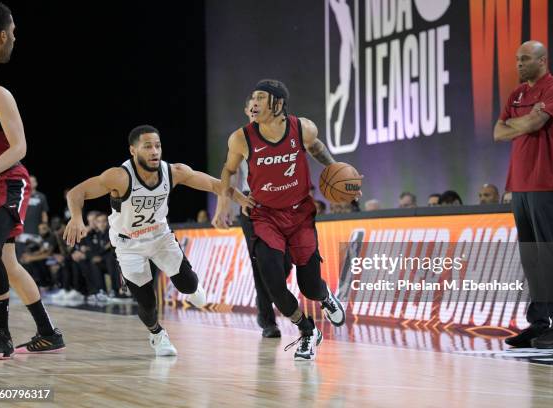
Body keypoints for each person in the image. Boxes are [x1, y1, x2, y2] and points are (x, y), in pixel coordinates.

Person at [64, 125, 253, 356]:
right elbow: (75, 193)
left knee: (189, 286)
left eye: (158, 145)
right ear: (133, 151)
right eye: (147, 146)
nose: (154, 151)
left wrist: (243, 200)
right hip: (128, 244)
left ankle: (192, 288)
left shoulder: (173, 171)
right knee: (147, 303)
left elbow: (216, 184)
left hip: (160, 237)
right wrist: (76, 218)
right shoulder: (119, 176)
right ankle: (157, 335)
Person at [213, 79, 356, 361]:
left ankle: (325, 297)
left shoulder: (302, 127)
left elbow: (315, 148)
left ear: (277, 104)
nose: (254, 103)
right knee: (272, 282)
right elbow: (228, 171)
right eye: (252, 98)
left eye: (261, 98)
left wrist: (335, 168)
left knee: (309, 286)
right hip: (264, 216)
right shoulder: (240, 137)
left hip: (299, 214)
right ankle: (306, 330)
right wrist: (223, 205)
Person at [0, 1, 64, 359]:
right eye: (13, 30)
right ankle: (47, 331)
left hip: (9, 182)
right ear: (2, 34)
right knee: (8, 263)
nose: (15, 35)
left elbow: (20, 148)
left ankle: (2, 335)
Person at [494, 40, 553, 349]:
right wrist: (520, 122)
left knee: (549, 254)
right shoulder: (517, 94)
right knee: (531, 258)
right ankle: (539, 324)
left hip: (545, 181)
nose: (518, 64)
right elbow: (498, 132)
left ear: (542, 60)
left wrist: (518, 122)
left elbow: (536, 121)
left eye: (524, 59)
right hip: (519, 184)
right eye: (517, 58)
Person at [235, 95, 291, 338]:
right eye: (252, 108)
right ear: (247, 112)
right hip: (253, 205)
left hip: (283, 205)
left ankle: (265, 303)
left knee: (286, 263)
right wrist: (227, 208)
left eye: (260, 107)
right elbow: (230, 179)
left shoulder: (283, 135)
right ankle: (267, 319)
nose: (256, 110)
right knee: (261, 265)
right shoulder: (240, 140)